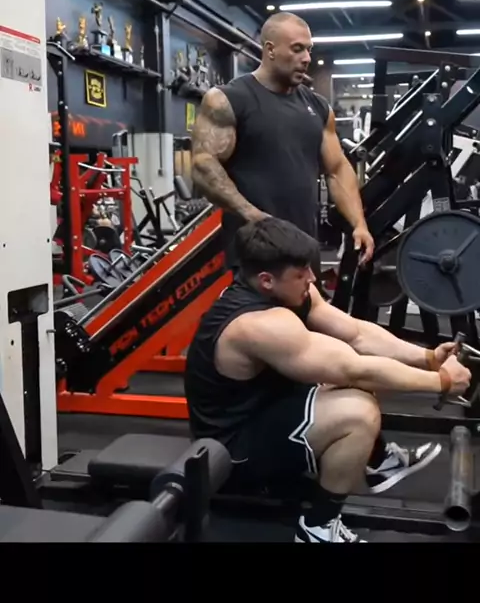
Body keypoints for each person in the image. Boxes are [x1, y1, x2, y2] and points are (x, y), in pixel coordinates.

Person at [184, 217, 471, 543]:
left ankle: (380, 462)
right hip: (232, 451)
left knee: (358, 383)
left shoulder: (289, 292)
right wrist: (442, 382)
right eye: (300, 274)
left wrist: (428, 358)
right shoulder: (257, 324)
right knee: (357, 413)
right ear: (266, 281)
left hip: (265, 409)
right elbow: (353, 368)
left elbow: (356, 333)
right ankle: (318, 527)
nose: (312, 278)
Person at [190, 10, 375, 274]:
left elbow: (337, 169)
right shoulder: (228, 100)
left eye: (309, 50)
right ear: (270, 50)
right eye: (297, 49)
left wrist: (359, 224)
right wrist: (254, 217)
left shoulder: (318, 107)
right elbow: (203, 166)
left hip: (304, 249)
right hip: (255, 255)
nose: (307, 58)